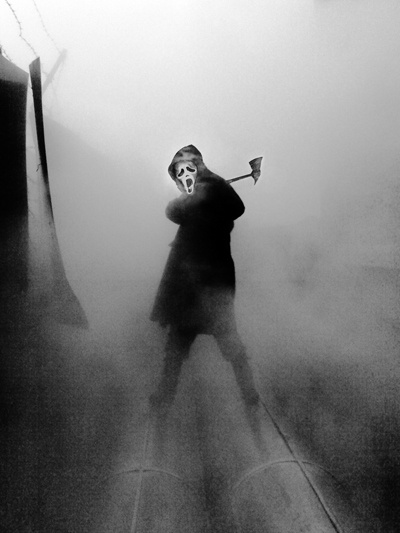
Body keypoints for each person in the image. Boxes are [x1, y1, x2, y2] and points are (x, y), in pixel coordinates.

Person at [150, 145, 259, 408]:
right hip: (198, 284)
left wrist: (208, 190)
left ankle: (249, 396)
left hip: (204, 285)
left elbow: (234, 207)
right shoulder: (203, 194)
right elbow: (174, 211)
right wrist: (199, 194)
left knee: (189, 346)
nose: (182, 176)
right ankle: (249, 396)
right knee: (188, 345)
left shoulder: (211, 192)